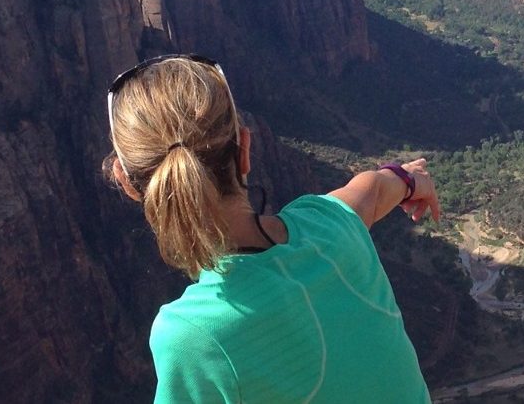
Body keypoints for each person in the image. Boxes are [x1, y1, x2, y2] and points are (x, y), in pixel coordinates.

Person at [102, 54, 438, 403]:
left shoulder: (191, 335)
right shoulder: (330, 227)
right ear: (245, 151)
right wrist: (409, 179)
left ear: (129, 185)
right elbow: (372, 189)